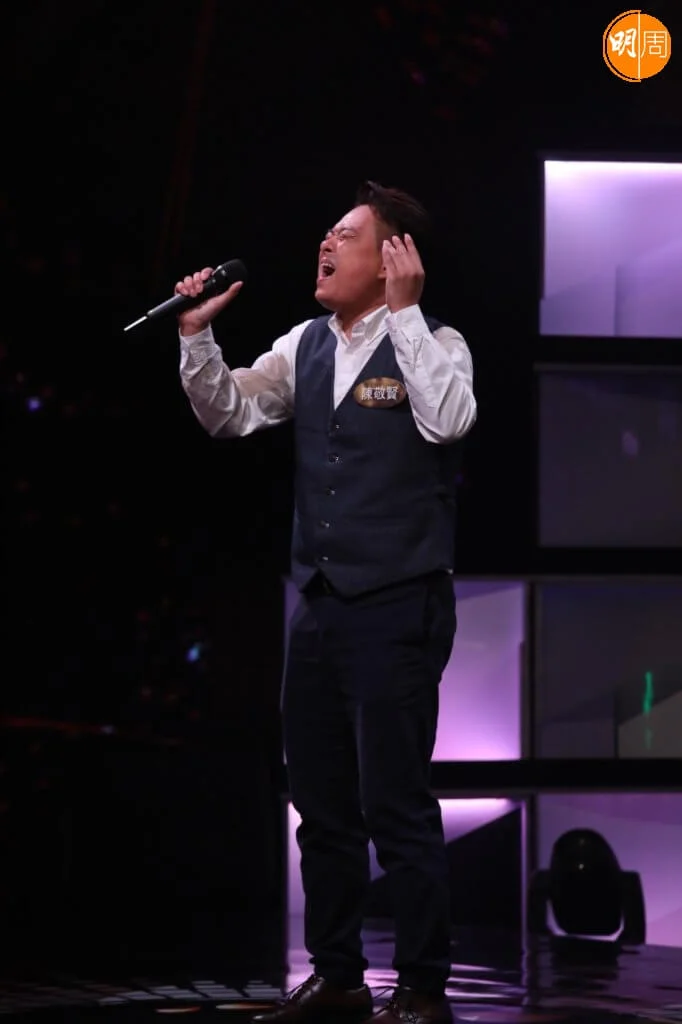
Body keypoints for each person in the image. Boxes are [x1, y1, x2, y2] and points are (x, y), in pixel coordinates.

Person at [176, 181, 476, 1024]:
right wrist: (197, 339)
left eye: (346, 235)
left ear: (392, 259)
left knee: (396, 803)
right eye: (327, 233)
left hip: (399, 599)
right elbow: (231, 413)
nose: (326, 244)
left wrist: (405, 314)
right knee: (321, 804)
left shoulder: (437, 341)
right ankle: (338, 976)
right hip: (320, 601)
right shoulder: (303, 344)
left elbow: (449, 421)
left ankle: (422, 986)